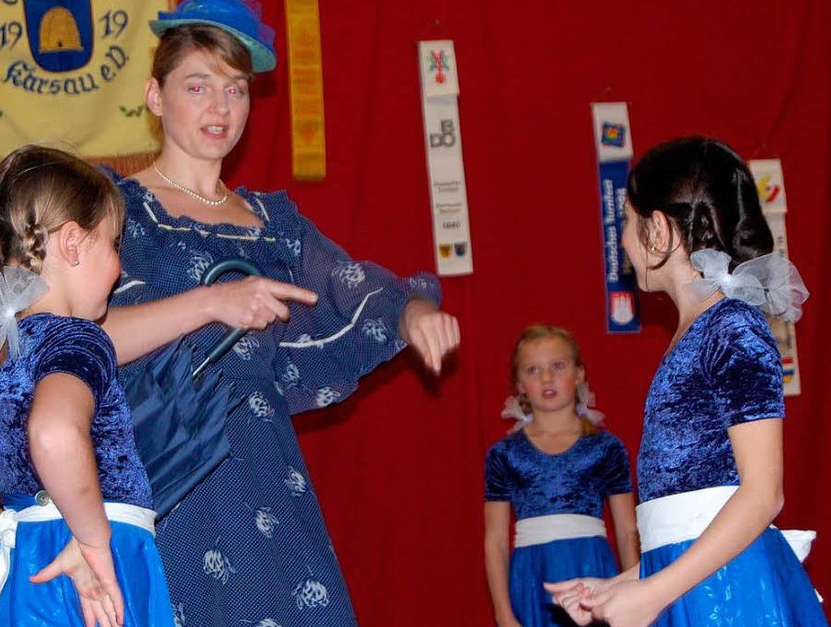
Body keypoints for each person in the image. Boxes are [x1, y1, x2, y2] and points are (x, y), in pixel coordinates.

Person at [98, 1, 460, 624]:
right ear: (155, 96)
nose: (220, 107)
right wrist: (212, 302)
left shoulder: (273, 222)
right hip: (162, 480)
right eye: (198, 86)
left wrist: (414, 311)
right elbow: (81, 340)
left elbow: (351, 286)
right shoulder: (118, 212)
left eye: (235, 89)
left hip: (263, 474)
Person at [546, 137, 825, 626]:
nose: (623, 241)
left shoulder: (731, 325)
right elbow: (688, 516)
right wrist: (621, 585)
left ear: (657, 229)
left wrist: (654, 594)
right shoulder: (695, 332)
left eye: (628, 222)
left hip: (730, 595)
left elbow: (763, 493)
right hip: (697, 585)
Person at [0, 145, 174, 626]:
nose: (119, 266)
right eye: (114, 244)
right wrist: (92, 542)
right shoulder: (77, 339)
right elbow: (53, 432)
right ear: (73, 243)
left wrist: (18, 537)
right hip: (93, 578)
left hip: (30, 579)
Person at [484, 325, 638, 627]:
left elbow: (628, 532)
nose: (546, 378)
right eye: (533, 370)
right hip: (531, 578)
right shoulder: (505, 454)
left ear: (579, 374)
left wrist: (635, 597)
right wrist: (504, 614)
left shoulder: (606, 448)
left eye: (557, 366)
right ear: (520, 384)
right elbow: (496, 542)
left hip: (592, 568)